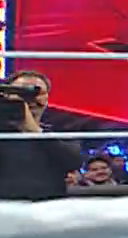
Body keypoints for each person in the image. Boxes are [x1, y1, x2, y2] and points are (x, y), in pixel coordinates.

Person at [0, 70, 83, 202]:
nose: (31, 99)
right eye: (21, 92)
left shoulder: (61, 133)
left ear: (47, 98)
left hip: (47, 208)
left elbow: (74, 161)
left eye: (37, 92)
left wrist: (35, 131)